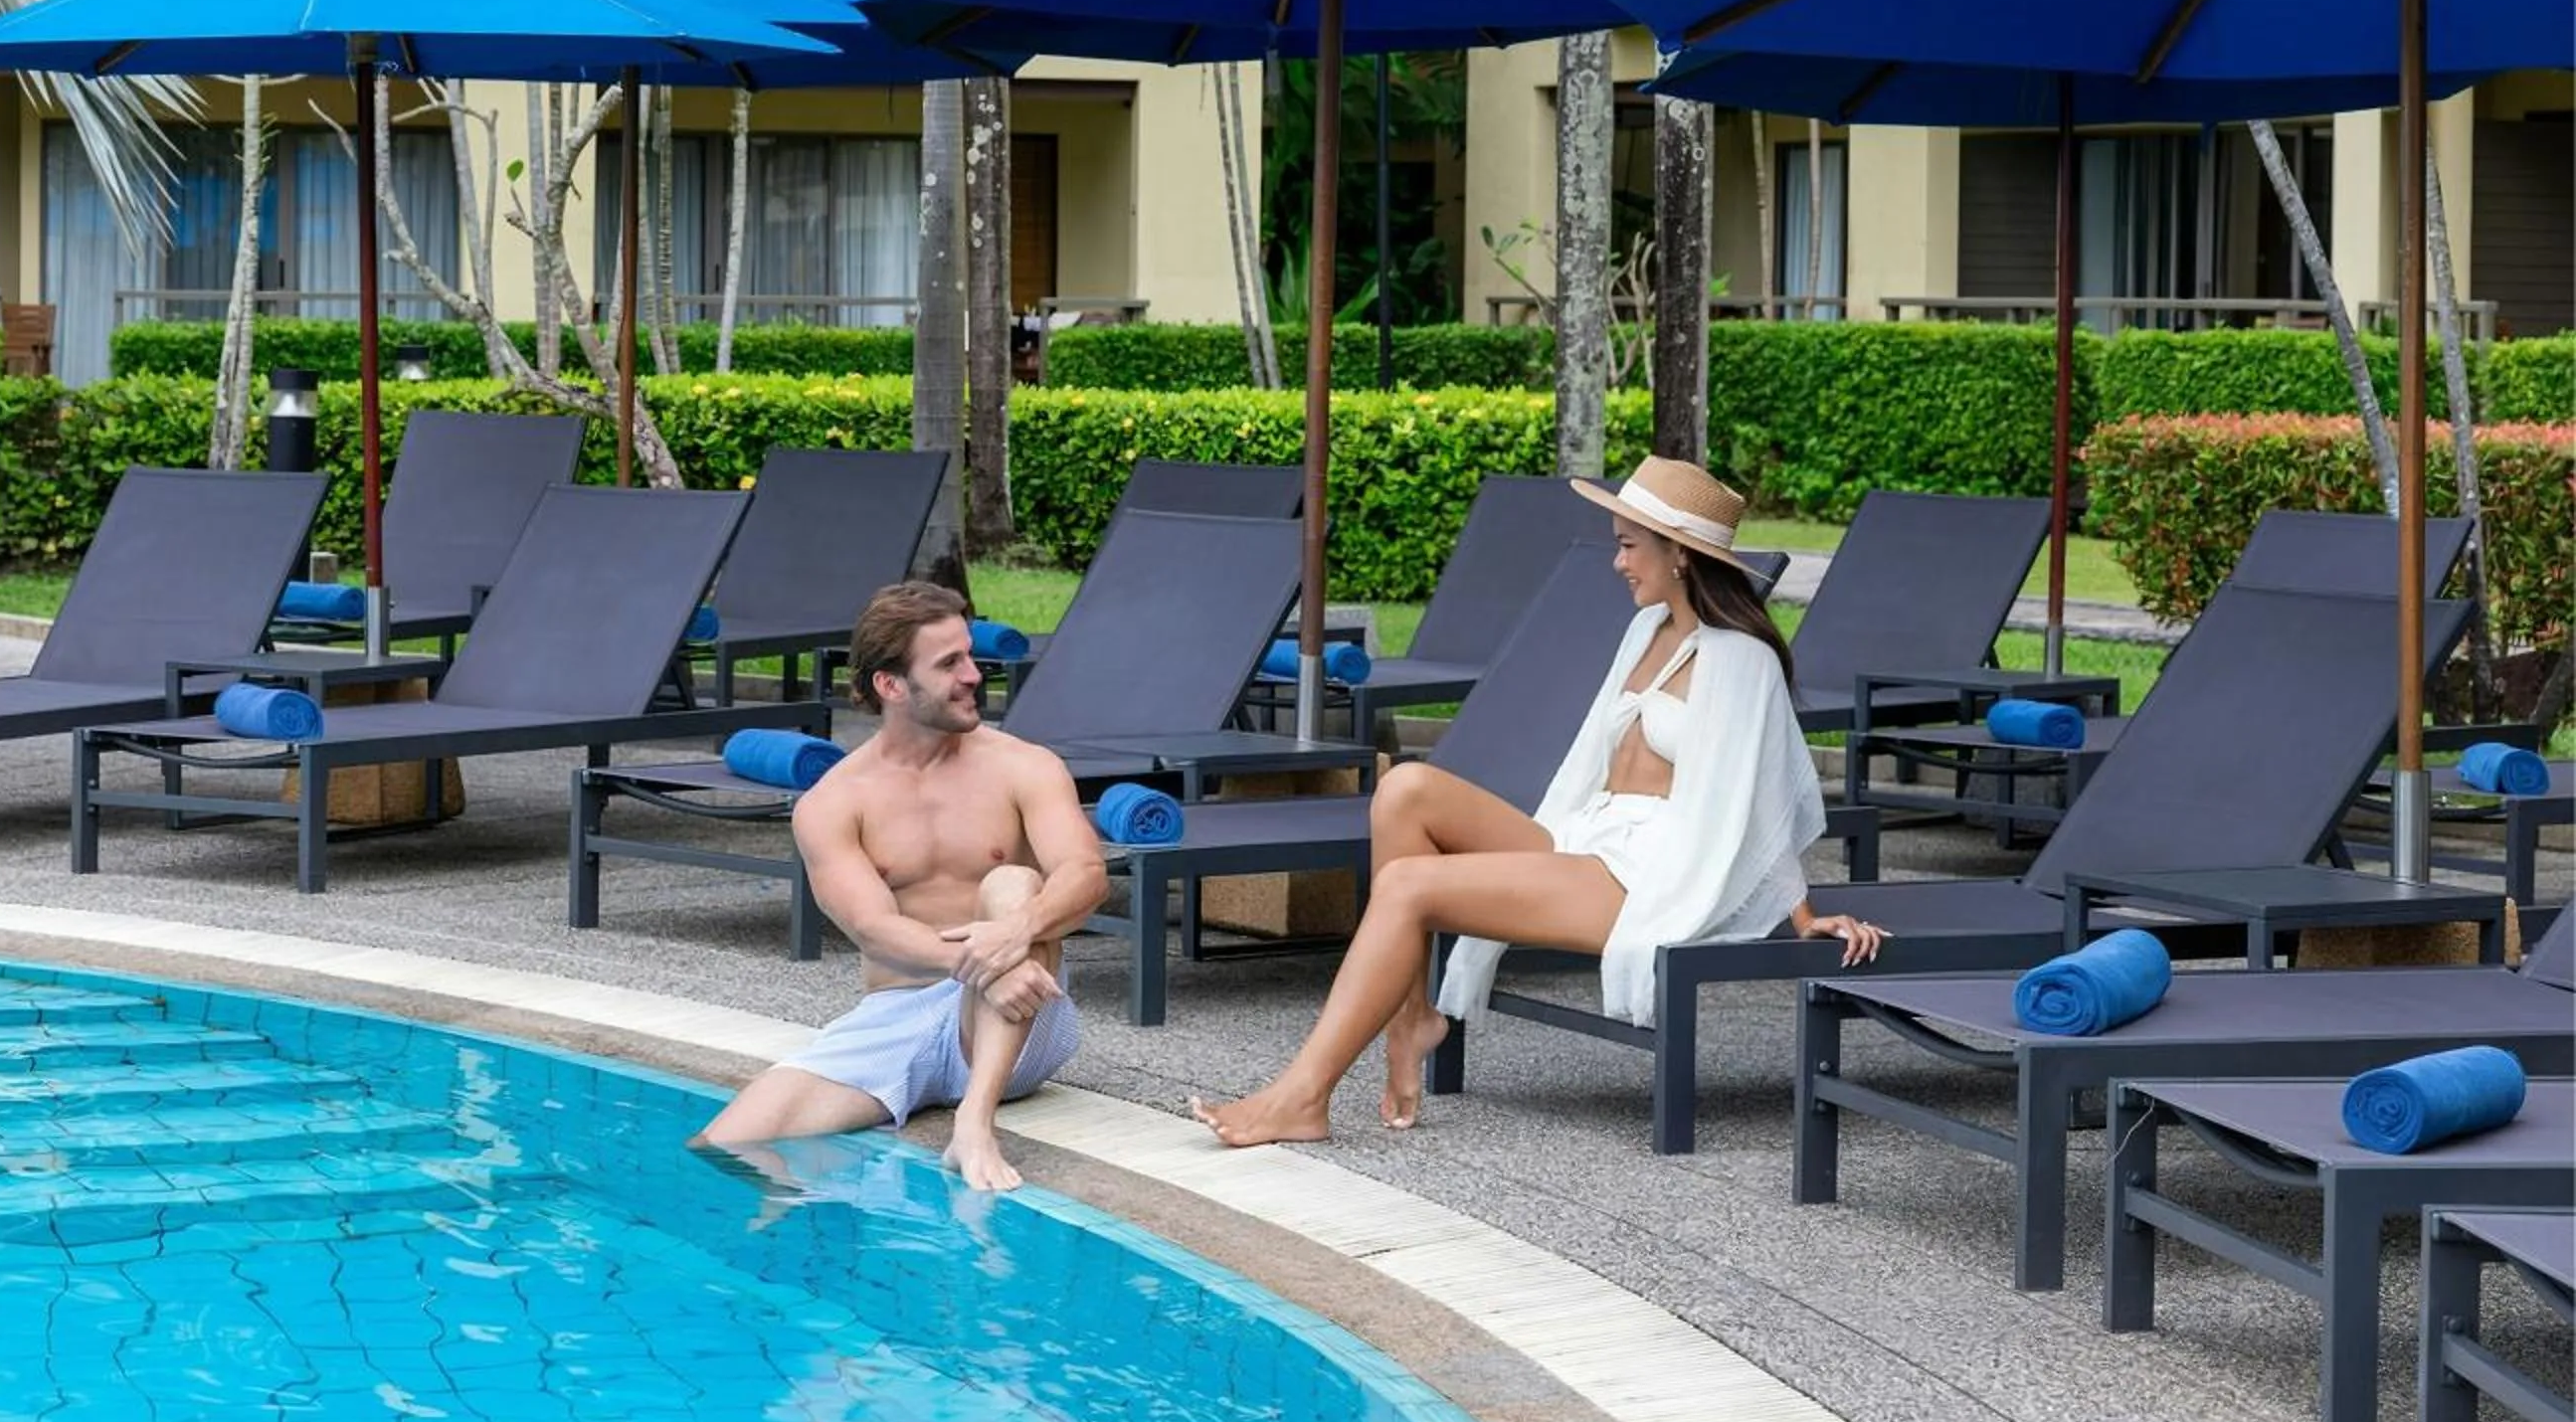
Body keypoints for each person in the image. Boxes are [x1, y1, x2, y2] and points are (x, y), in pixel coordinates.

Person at [1193, 456, 1887, 1149]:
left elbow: (1759, 800)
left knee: (1408, 886)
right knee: (1404, 789)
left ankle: (1303, 1096)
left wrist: (1803, 916)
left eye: (1627, 544)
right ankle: (1410, 1018)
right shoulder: (1647, 632)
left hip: (1649, 874)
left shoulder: (1742, 661)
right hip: (1589, 836)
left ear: (1679, 554)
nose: (1616, 562)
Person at [696, 581, 1107, 1191]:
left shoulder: (1024, 766)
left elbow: (1085, 873)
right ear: (891, 685)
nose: (975, 675)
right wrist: (986, 961)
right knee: (726, 1146)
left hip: (1019, 1019)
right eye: (949, 664)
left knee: (1013, 883)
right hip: (897, 1018)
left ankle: (975, 1121)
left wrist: (1012, 939)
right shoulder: (834, 803)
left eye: (970, 655)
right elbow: (875, 928)